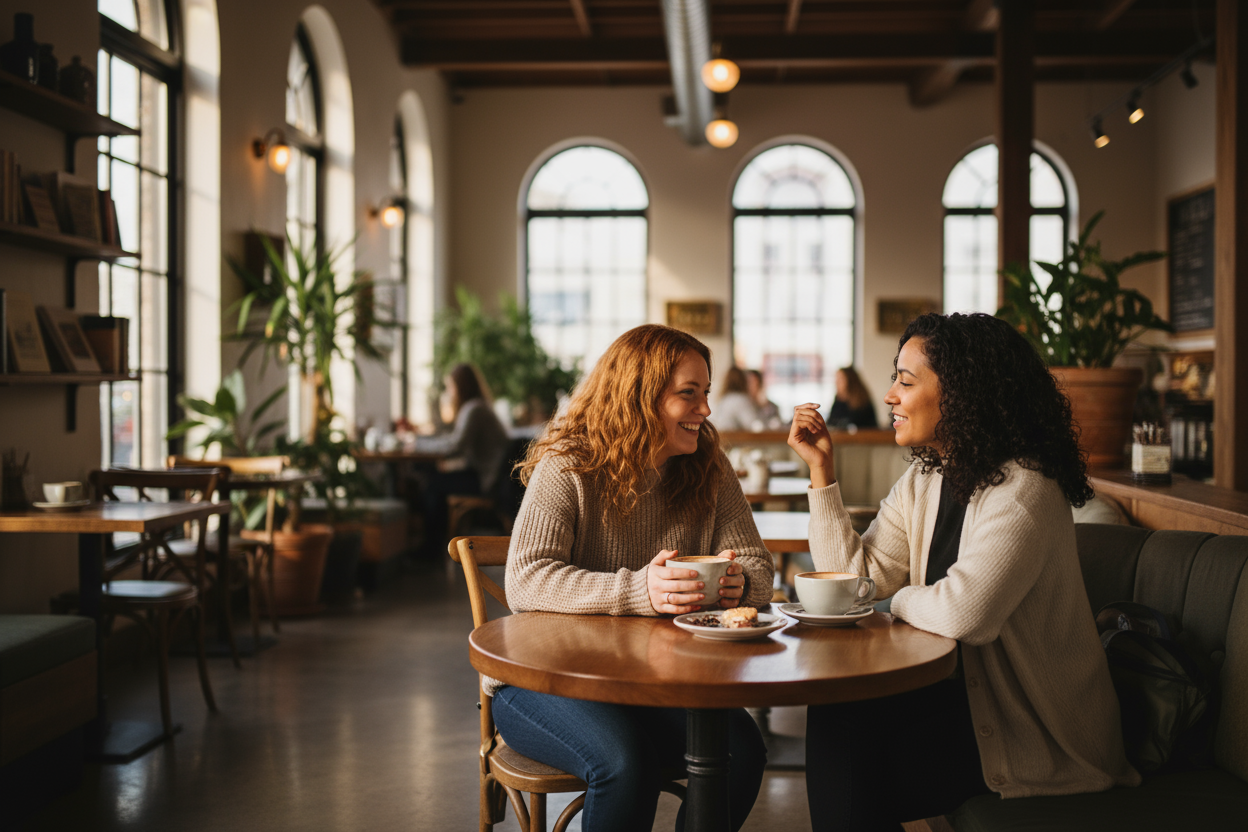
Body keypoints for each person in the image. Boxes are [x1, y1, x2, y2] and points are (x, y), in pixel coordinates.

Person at [787, 312, 1138, 832]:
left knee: (854, 756)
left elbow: (965, 614)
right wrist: (821, 475)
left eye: (905, 382)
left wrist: (895, 600)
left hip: (1037, 735)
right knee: (839, 712)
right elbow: (852, 582)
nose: (889, 396)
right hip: (968, 708)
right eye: (893, 380)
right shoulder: (926, 480)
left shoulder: (1025, 489)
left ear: (961, 393)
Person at [491, 324, 774, 832]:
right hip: (543, 679)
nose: (705, 410)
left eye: (706, 393)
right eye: (688, 394)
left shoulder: (708, 465)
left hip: (653, 680)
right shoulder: (568, 463)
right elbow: (526, 580)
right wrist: (638, 590)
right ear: (639, 397)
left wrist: (736, 584)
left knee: (743, 750)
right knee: (625, 765)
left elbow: (757, 566)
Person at [413, 363, 509, 555]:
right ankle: (433, 546)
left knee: (433, 485)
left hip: (487, 481)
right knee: (433, 477)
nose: (449, 392)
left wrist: (417, 445)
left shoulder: (473, 409)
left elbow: (455, 446)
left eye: (451, 386)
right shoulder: (477, 407)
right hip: (487, 475)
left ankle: (431, 550)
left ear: (461, 386)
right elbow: (454, 440)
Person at [713, 364, 761, 431]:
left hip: (721, 437)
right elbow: (753, 424)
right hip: (734, 439)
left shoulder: (722, 399)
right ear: (743, 381)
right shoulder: (741, 399)